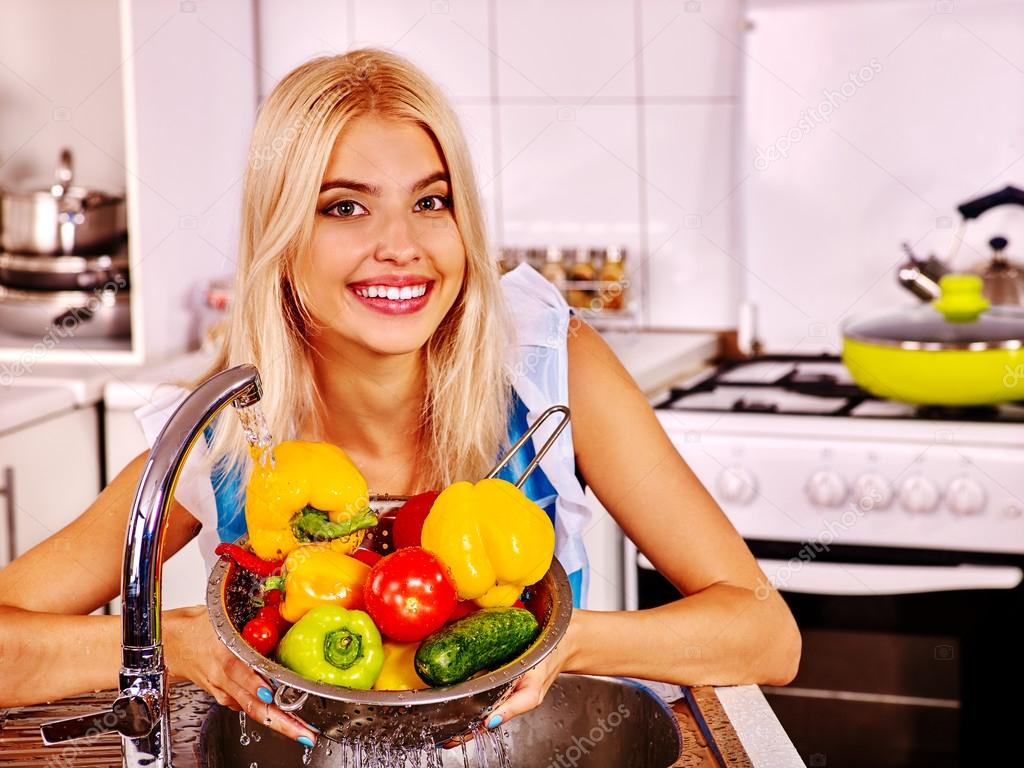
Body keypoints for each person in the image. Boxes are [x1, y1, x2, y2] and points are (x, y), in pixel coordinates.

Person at [0, 49, 800, 749]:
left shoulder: (549, 369)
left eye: (432, 201)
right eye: (345, 207)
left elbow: (766, 635)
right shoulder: (224, 437)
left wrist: (566, 642)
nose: (403, 246)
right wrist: (164, 643)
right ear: (282, 242)